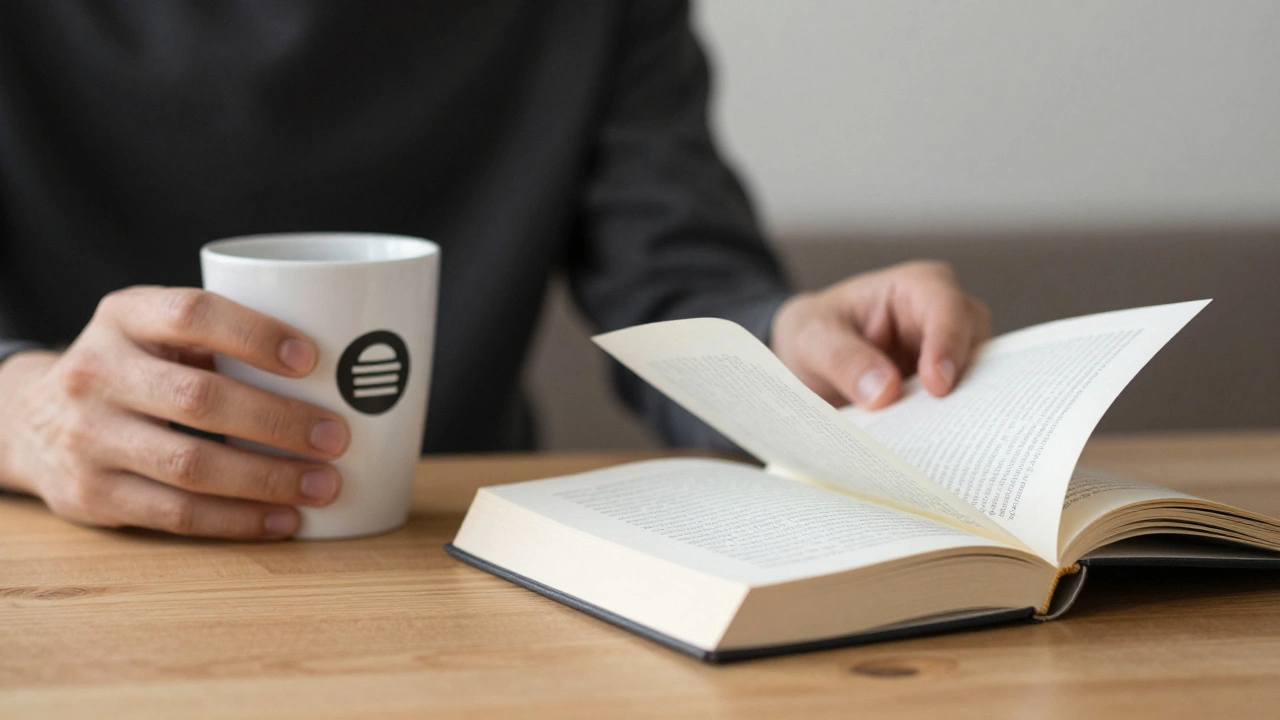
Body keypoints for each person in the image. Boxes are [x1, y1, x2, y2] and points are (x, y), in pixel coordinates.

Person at [0, 1, 989, 540]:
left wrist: (795, 346)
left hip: (445, 560)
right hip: (61, 562)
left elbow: (679, 285)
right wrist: (25, 413)